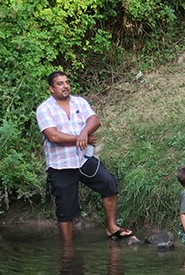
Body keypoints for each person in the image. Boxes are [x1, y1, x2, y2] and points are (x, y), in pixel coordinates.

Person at [36, 72, 130, 241]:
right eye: (60, 84)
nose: (65, 86)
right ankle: (68, 248)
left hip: (84, 159)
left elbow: (94, 120)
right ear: (51, 89)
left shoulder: (79, 102)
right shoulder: (44, 109)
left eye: (67, 82)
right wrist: (81, 139)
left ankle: (111, 227)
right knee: (65, 209)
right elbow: (53, 136)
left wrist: (84, 133)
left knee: (109, 183)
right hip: (61, 165)